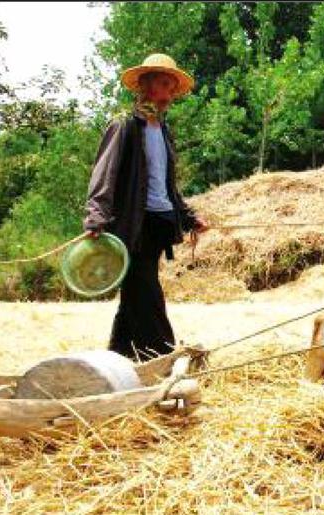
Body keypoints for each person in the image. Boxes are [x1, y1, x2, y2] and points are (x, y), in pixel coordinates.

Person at [82, 53, 209, 361]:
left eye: (171, 87)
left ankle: (120, 357)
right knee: (146, 289)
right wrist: (96, 218)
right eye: (163, 84)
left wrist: (189, 218)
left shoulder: (163, 132)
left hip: (159, 222)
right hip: (132, 225)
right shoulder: (124, 126)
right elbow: (104, 174)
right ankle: (163, 354)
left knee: (135, 293)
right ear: (145, 85)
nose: (168, 93)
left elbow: (167, 185)